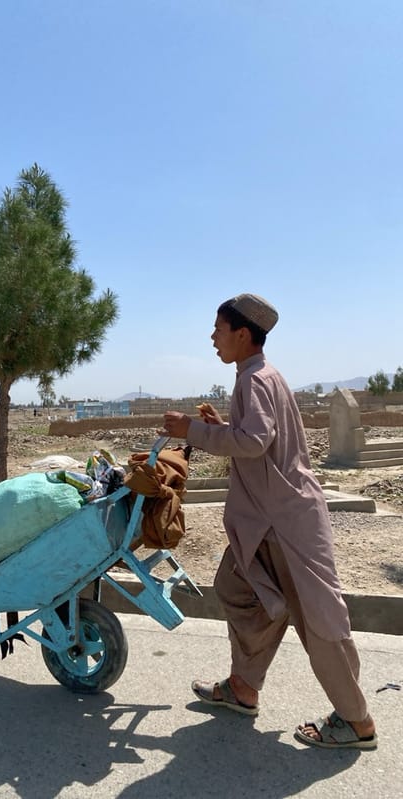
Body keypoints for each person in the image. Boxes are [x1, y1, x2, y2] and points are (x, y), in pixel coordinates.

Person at [161, 293, 377, 750]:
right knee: (237, 589)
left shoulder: (255, 379)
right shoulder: (259, 377)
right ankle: (243, 686)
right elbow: (255, 438)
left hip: (284, 523)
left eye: (219, 329)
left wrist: (191, 430)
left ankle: (356, 720)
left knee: (318, 619)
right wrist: (220, 426)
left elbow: (255, 441)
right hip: (263, 522)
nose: (213, 337)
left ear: (243, 335)